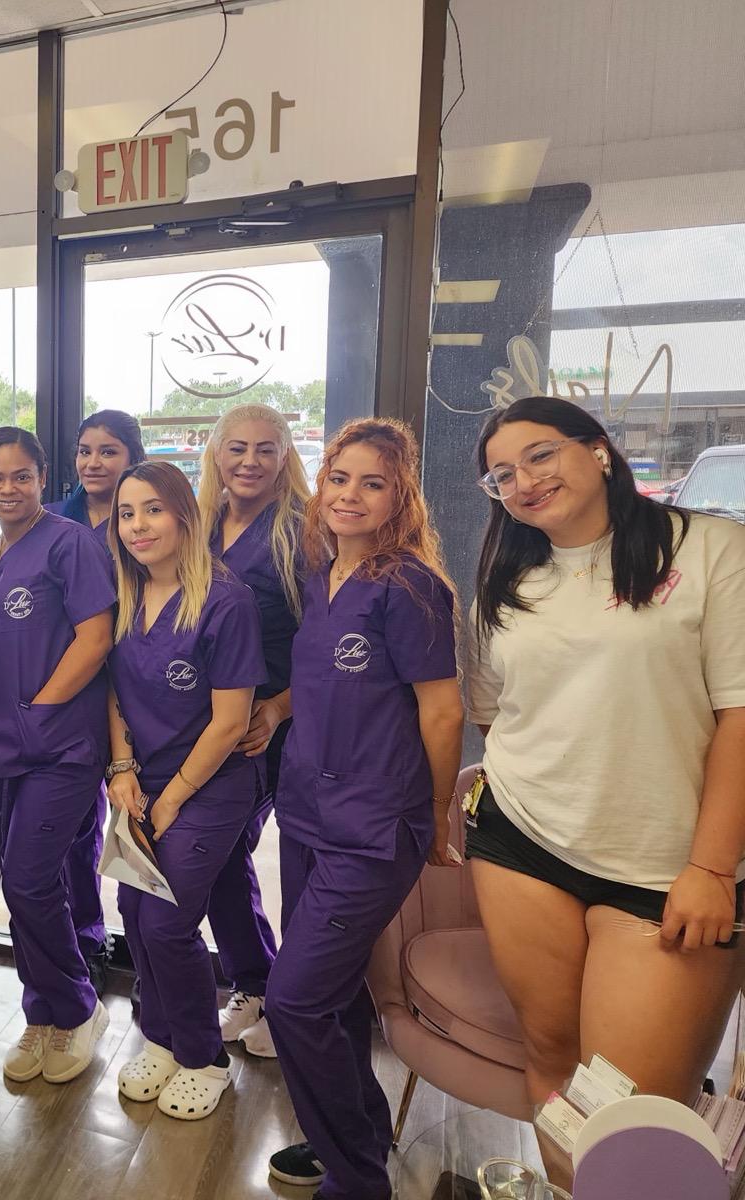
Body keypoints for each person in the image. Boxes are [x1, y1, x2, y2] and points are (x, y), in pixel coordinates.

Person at [466, 396, 745, 1189]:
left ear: (598, 451)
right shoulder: (506, 582)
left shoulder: (711, 548)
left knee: (630, 1110)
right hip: (520, 841)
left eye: (540, 455)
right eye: (502, 475)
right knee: (552, 1060)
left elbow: (740, 715)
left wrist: (712, 867)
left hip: (665, 867)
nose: (523, 481)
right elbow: (495, 714)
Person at [263, 418, 464, 1199]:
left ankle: (356, 1179)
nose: (349, 495)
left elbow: (442, 712)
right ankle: (357, 1134)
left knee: (293, 1001)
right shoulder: (324, 576)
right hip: (308, 812)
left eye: (372, 483)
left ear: (400, 497)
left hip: (374, 826)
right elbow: (325, 679)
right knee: (337, 992)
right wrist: (277, 709)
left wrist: (438, 816)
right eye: (339, 478)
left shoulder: (409, 587)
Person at [104, 462, 264, 1120]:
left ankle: (204, 1057)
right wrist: (121, 770)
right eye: (126, 513)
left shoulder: (226, 601)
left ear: (184, 516)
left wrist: (170, 799)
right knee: (133, 909)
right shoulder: (125, 594)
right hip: (141, 784)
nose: (137, 526)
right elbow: (114, 691)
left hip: (211, 786)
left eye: (153, 510)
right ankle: (162, 1039)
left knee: (168, 924)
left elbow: (231, 722)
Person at [0, 426, 116, 1085]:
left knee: (28, 879)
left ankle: (78, 1007)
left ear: (43, 479)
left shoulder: (70, 543)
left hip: (61, 748)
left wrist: (41, 708)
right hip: (2, 748)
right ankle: (40, 1010)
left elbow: (96, 637)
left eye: (21, 476)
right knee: (25, 886)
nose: (7, 488)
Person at [195, 403, 309, 1059]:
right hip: (211, 726)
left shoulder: (303, 532)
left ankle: (289, 1003)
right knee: (220, 860)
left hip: (274, 728)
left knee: (290, 868)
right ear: (216, 453)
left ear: (285, 456)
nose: (250, 461)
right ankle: (255, 983)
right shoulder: (201, 524)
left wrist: (280, 708)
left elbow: (326, 641)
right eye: (236, 447)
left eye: (266, 449)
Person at [47, 409, 147, 992]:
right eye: (85, 450)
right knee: (75, 830)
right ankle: (85, 941)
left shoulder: (146, 519)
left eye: (108, 451)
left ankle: (151, 960)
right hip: (75, 687)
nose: (93, 462)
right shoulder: (52, 520)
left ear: (132, 457)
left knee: (139, 825)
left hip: (140, 687)